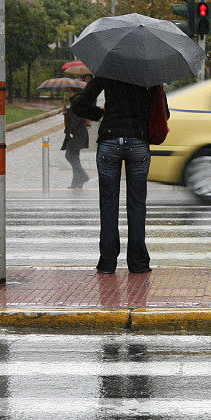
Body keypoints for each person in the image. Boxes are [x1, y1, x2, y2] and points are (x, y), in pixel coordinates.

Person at [70, 76, 168, 274]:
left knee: (108, 204)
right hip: (138, 142)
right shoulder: (148, 75)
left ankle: (107, 263)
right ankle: (138, 263)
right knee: (137, 204)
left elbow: (79, 105)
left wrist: (99, 114)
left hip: (109, 141)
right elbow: (164, 112)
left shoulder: (107, 72)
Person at [61, 88, 90, 189]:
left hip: (77, 134)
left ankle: (83, 176)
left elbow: (76, 118)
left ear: (73, 91)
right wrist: (66, 111)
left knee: (69, 154)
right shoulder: (76, 101)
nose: (69, 93)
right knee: (74, 156)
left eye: (69, 91)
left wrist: (70, 131)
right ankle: (77, 183)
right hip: (78, 134)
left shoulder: (77, 102)